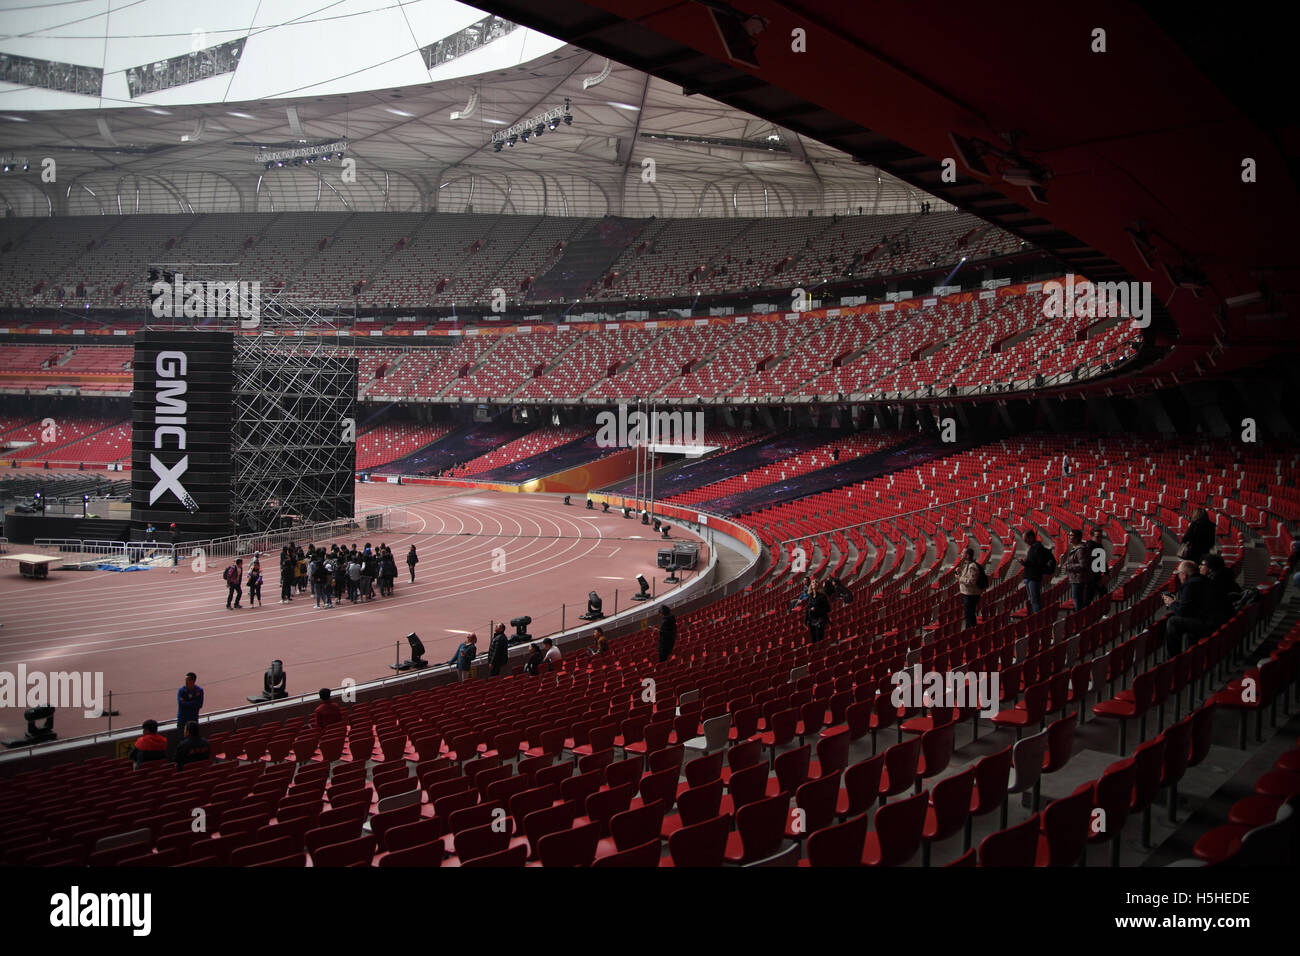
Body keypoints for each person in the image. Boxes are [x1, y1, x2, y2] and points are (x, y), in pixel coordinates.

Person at [1161, 559, 1214, 658]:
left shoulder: (1191, 585)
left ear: (1184, 575)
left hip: (1208, 623)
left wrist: (1172, 603)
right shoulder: (1203, 580)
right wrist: (1178, 603)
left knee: (1173, 621)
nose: (1178, 577)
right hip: (1212, 618)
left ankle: (1173, 659)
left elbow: (1183, 612)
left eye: (1179, 574)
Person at [1200, 554, 1242, 629]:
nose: (1199, 567)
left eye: (1202, 565)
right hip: (1228, 617)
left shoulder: (1214, 584)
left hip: (1218, 621)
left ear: (1211, 568)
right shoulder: (1225, 577)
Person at [1018, 530, 1053, 614]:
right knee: (1032, 599)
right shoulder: (1033, 547)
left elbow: (1039, 563)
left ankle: (1037, 616)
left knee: (1035, 600)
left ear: (1031, 537)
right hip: (1030, 576)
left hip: (1034, 577)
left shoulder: (1037, 548)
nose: (1025, 542)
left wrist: (1025, 563)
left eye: (1026, 539)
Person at [1063, 529, 1093, 610]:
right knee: (1078, 601)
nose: (1069, 537)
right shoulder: (1077, 548)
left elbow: (1082, 565)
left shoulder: (1080, 550)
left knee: (1078, 602)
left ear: (1076, 538)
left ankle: (1078, 619)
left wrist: (1068, 567)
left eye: (1071, 535)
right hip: (1077, 578)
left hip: (1079, 579)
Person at [957, 548, 986, 628]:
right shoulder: (968, 564)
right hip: (969, 593)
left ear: (967, 555)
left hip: (971, 595)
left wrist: (960, 579)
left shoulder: (972, 566)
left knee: (969, 615)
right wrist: (960, 573)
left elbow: (971, 582)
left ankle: (971, 632)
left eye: (963, 552)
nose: (961, 554)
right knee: (969, 615)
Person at [1086, 527, 1107, 605]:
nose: (1100, 539)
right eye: (1097, 537)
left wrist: (1105, 574)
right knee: (1087, 599)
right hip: (1090, 577)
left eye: (1101, 537)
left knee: (1102, 592)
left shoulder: (1099, 546)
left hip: (1096, 577)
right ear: (1091, 537)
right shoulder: (1089, 547)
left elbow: (1102, 562)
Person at [805, 578, 830, 643]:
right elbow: (807, 608)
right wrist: (805, 620)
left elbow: (828, 609)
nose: (814, 583)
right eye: (813, 582)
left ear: (819, 585)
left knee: (819, 639)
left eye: (816, 582)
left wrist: (816, 609)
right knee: (813, 639)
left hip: (820, 620)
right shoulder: (810, 596)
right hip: (812, 620)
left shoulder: (822, 596)